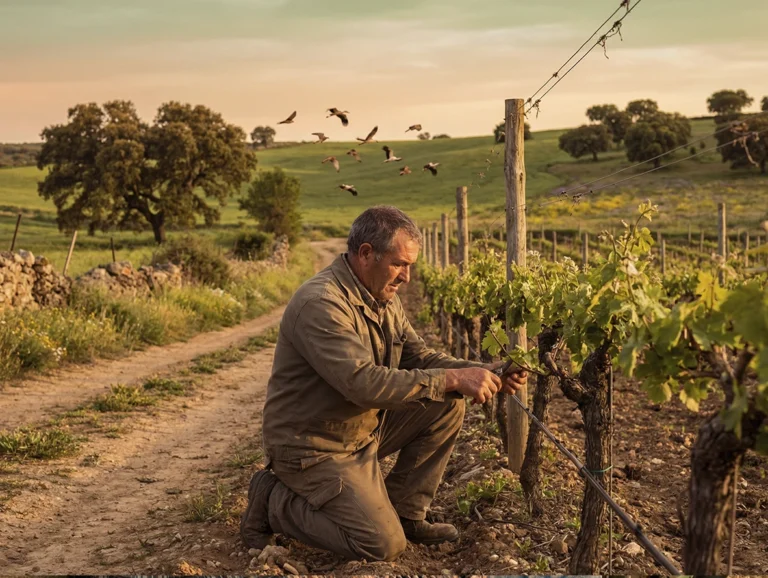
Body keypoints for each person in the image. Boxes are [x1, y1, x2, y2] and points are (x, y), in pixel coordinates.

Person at [241, 205, 527, 562]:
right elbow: (363, 384)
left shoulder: (379, 296)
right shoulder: (321, 304)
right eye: (399, 264)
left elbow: (418, 358)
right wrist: (454, 377)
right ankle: (273, 501)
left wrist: (483, 370)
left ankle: (404, 513)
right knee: (380, 546)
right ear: (365, 254)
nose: (407, 277)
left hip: (360, 428)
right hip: (312, 446)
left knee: (447, 402)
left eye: (410, 266)